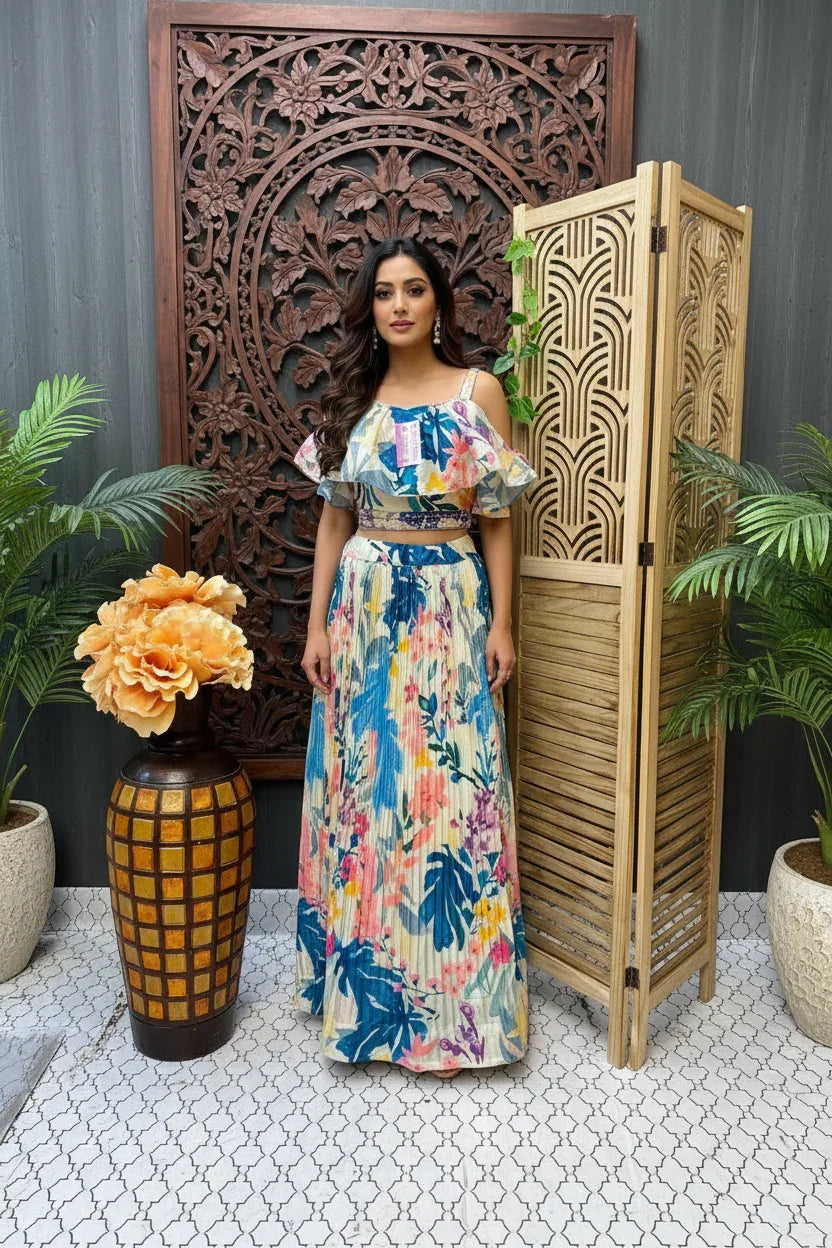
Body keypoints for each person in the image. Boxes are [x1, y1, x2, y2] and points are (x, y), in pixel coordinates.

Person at [290, 235, 537, 1077]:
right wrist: (316, 627)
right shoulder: (352, 399)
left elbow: (498, 518)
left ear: (439, 303)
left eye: (416, 290)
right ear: (370, 308)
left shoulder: (481, 394)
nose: (399, 305)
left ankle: (460, 1013)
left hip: (450, 606)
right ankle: (369, 1008)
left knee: (451, 798)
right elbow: (334, 519)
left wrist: (504, 624)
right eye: (385, 293)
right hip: (362, 611)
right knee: (370, 796)